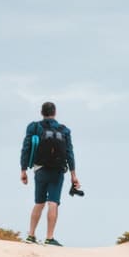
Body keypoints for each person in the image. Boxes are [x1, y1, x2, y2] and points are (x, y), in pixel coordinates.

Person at [19, 101, 79, 245]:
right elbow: (69, 153)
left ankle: (31, 236)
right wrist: (73, 175)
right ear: (55, 112)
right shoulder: (64, 130)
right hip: (58, 171)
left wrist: (23, 170)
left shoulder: (34, 127)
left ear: (42, 112)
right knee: (53, 203)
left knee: (39, 202)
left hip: (40, 169)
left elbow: (26, 148)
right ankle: (49, 238)